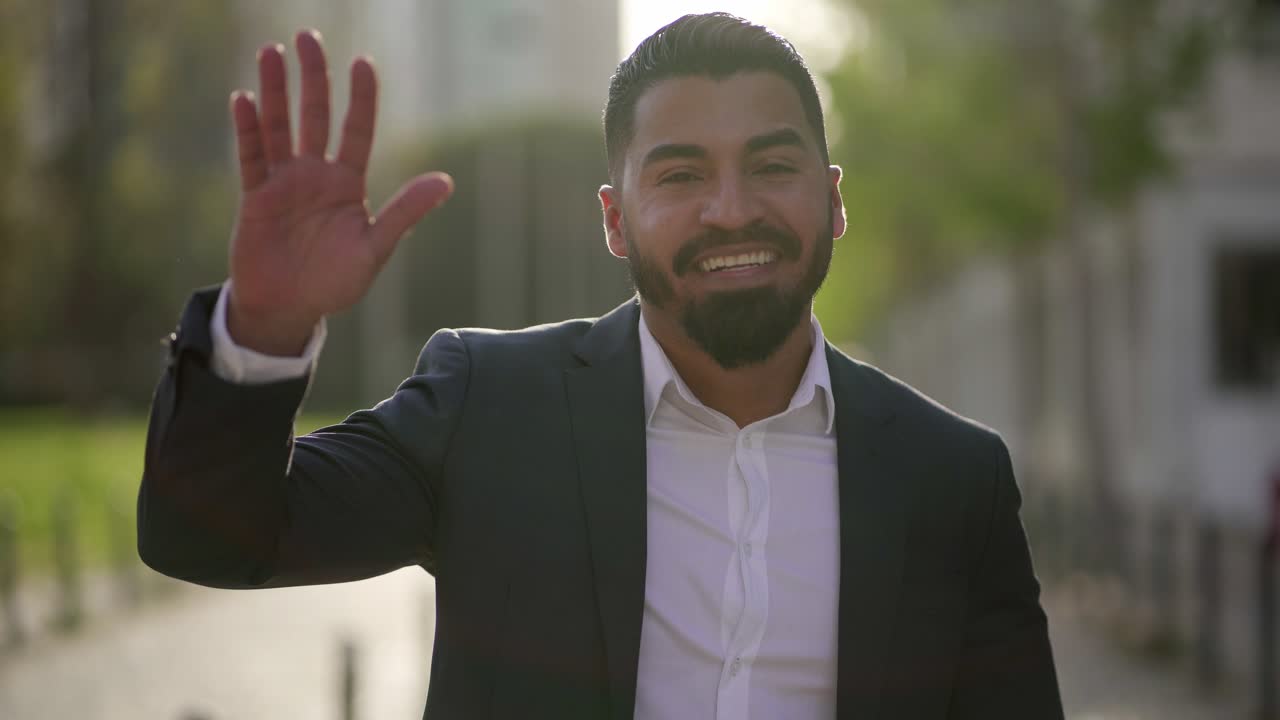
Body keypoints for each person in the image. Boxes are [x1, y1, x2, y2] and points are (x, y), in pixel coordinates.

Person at [138, 12, 1064, 719]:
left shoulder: (954, 478)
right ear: (616, 220)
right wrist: (259, 327)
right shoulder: (488, 407)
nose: (731, 210)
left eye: (772, 166)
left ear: (831, 200)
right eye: (680, 175)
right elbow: (214, 539)